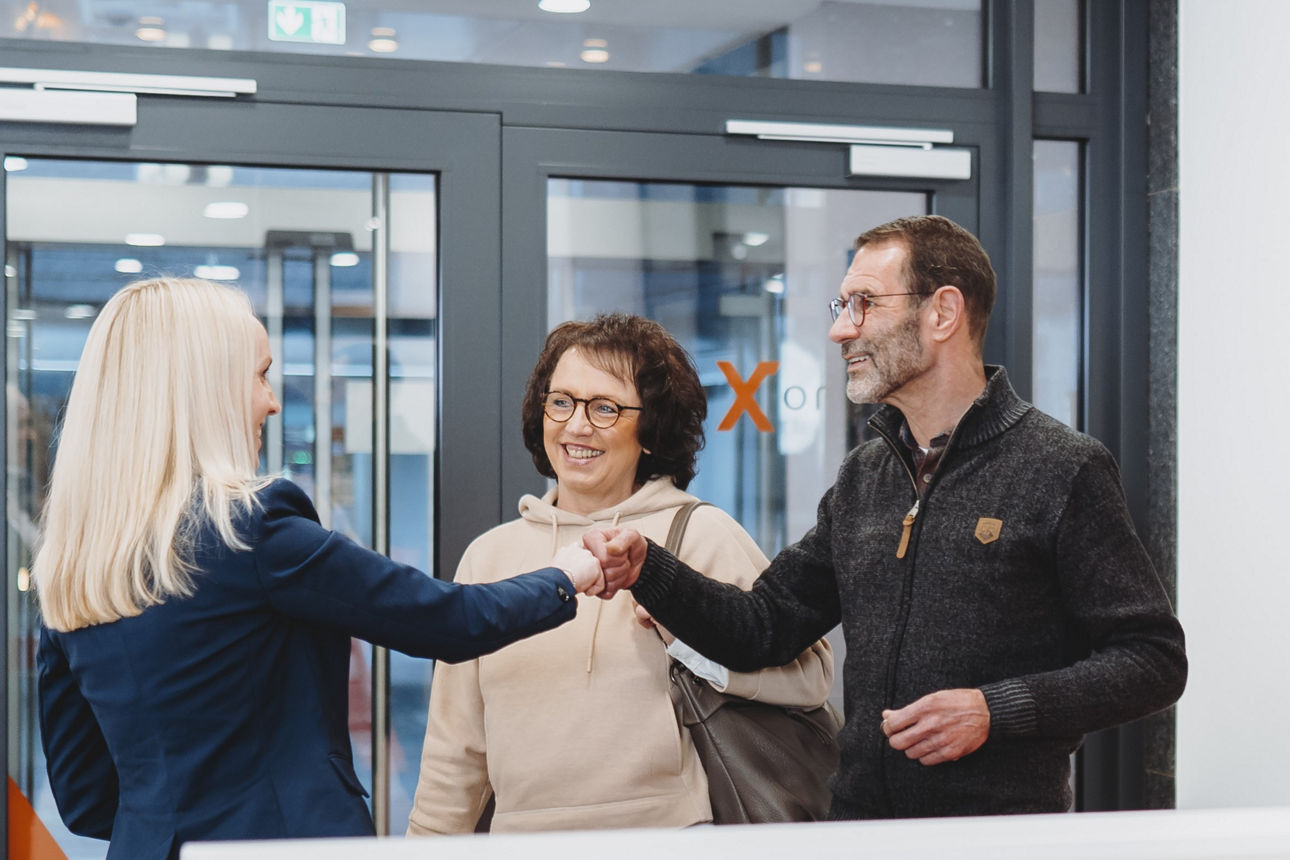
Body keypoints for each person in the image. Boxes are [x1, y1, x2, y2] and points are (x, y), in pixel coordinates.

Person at [585, 215, 1188, 819]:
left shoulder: (1061, 467)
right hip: (859, 828)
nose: (839, 330)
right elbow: (762, 626)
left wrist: (994, 710)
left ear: (942, 313)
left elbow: (1153, 660)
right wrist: (648, 567)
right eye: (841, 306)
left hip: (1000, 836)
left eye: (864, 303)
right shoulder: (864, 476)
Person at [34, 277, 602, 860]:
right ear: (204, 390)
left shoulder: (73, 566)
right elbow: (451, 620)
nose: (272, 401)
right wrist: (565, 575)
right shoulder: (250, 527)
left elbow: (83, 796)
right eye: (260, 375)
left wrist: (162, 818)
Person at [407, 313, 833, 834]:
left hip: (669, 838)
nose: (576, 426)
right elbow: (455, 748)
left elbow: (809, 680)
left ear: (650, 431)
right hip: (520, 843)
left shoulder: (698, 534)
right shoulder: (489, 555)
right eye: (561, 402)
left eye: (605, 408)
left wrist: (687, 636)